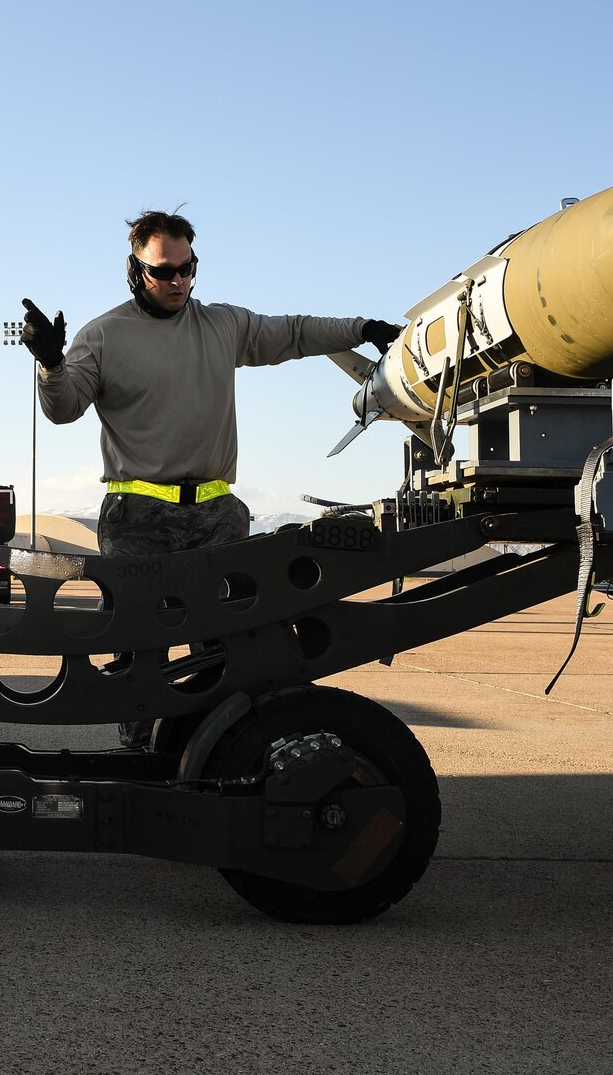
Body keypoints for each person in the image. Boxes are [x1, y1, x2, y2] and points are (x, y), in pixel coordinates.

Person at [21, 210, 401, 745]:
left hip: (216, 515)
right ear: (136, 271)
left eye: (186, 269)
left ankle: (219, 750)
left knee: (230, 644)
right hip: (138, 520)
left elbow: (292, 333)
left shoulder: (222, 325)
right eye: (163, 272)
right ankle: (138, 755)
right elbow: (63, 410)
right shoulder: (103, 335)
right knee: (141, 649)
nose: (178, 282)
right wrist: (50, 365)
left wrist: (362, 329)